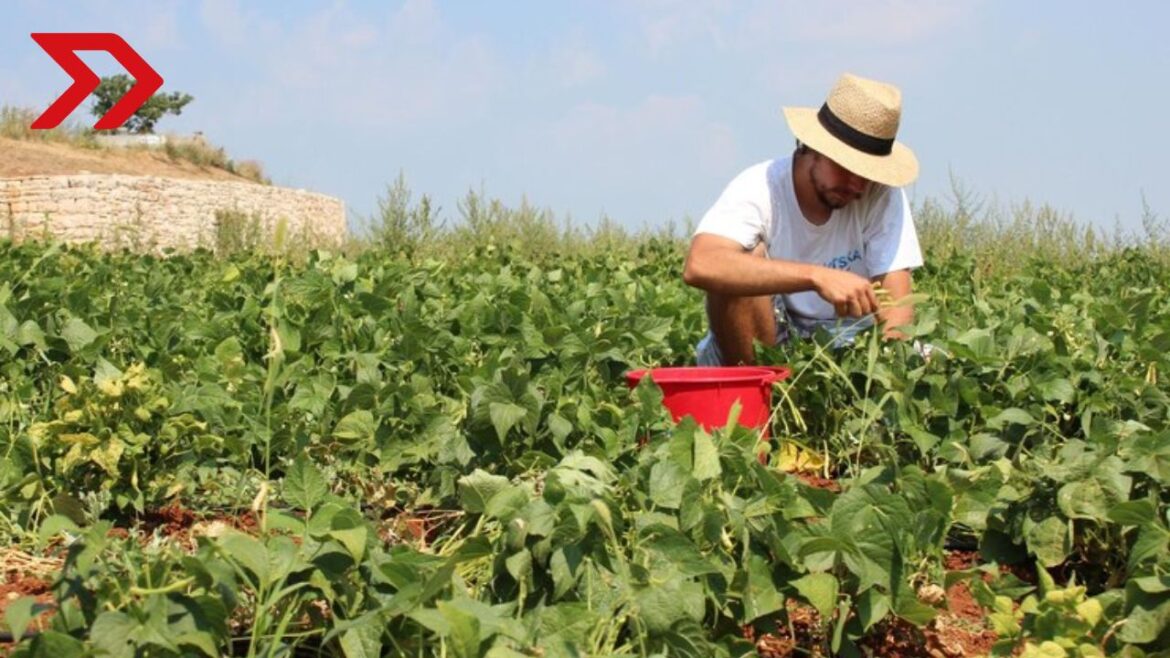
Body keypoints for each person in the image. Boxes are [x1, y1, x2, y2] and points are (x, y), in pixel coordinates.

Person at [683, 72, 923, 366]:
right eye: (846, 168)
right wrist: (816, 276)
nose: (857, 186)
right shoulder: (762, 186)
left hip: (846, 341)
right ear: (813, 147)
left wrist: (885, 374)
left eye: (868, 174)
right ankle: (758, 388)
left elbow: (896, 309)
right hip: (768, 334)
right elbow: (701, 264)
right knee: (743, 261)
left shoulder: (881, 194)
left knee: (930, 363)